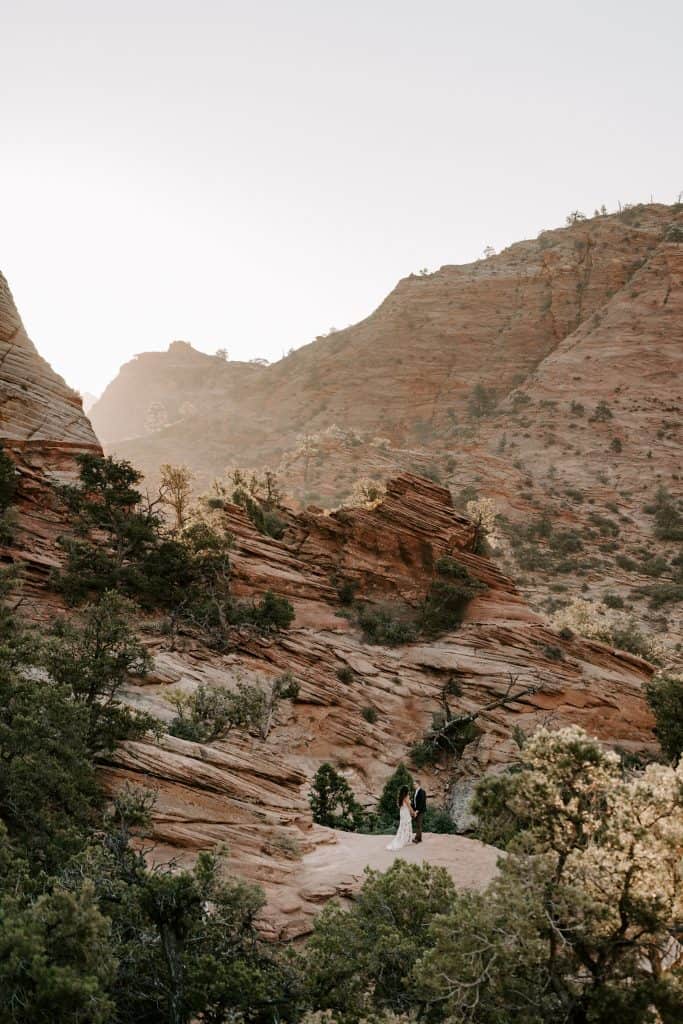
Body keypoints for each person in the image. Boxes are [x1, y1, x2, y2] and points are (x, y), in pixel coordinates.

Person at [386, 785, 416, 851]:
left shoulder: (400, 797)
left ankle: (403, 839)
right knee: (407, 824)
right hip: (406, 812)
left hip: (402, 812)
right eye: (408, 790)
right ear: (406, 791)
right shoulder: (406, 797)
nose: (409, 791)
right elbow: (409, 806)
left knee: (402, 825)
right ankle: (407, 839)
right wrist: (413, 813)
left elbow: (399, 806)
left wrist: (404, 809)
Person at [412, 779, 427, 843]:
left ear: (418, 784)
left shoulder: (422, 791)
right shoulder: (415, 792)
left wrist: (417, 811)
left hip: (420, 811)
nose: (413, 785)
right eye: (413, 784)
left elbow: (422, 802)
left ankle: (417, 839)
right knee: (417, 824)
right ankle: (419, 838)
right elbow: (414, 802)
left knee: (419, 824)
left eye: (414, 784)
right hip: (415, 810)